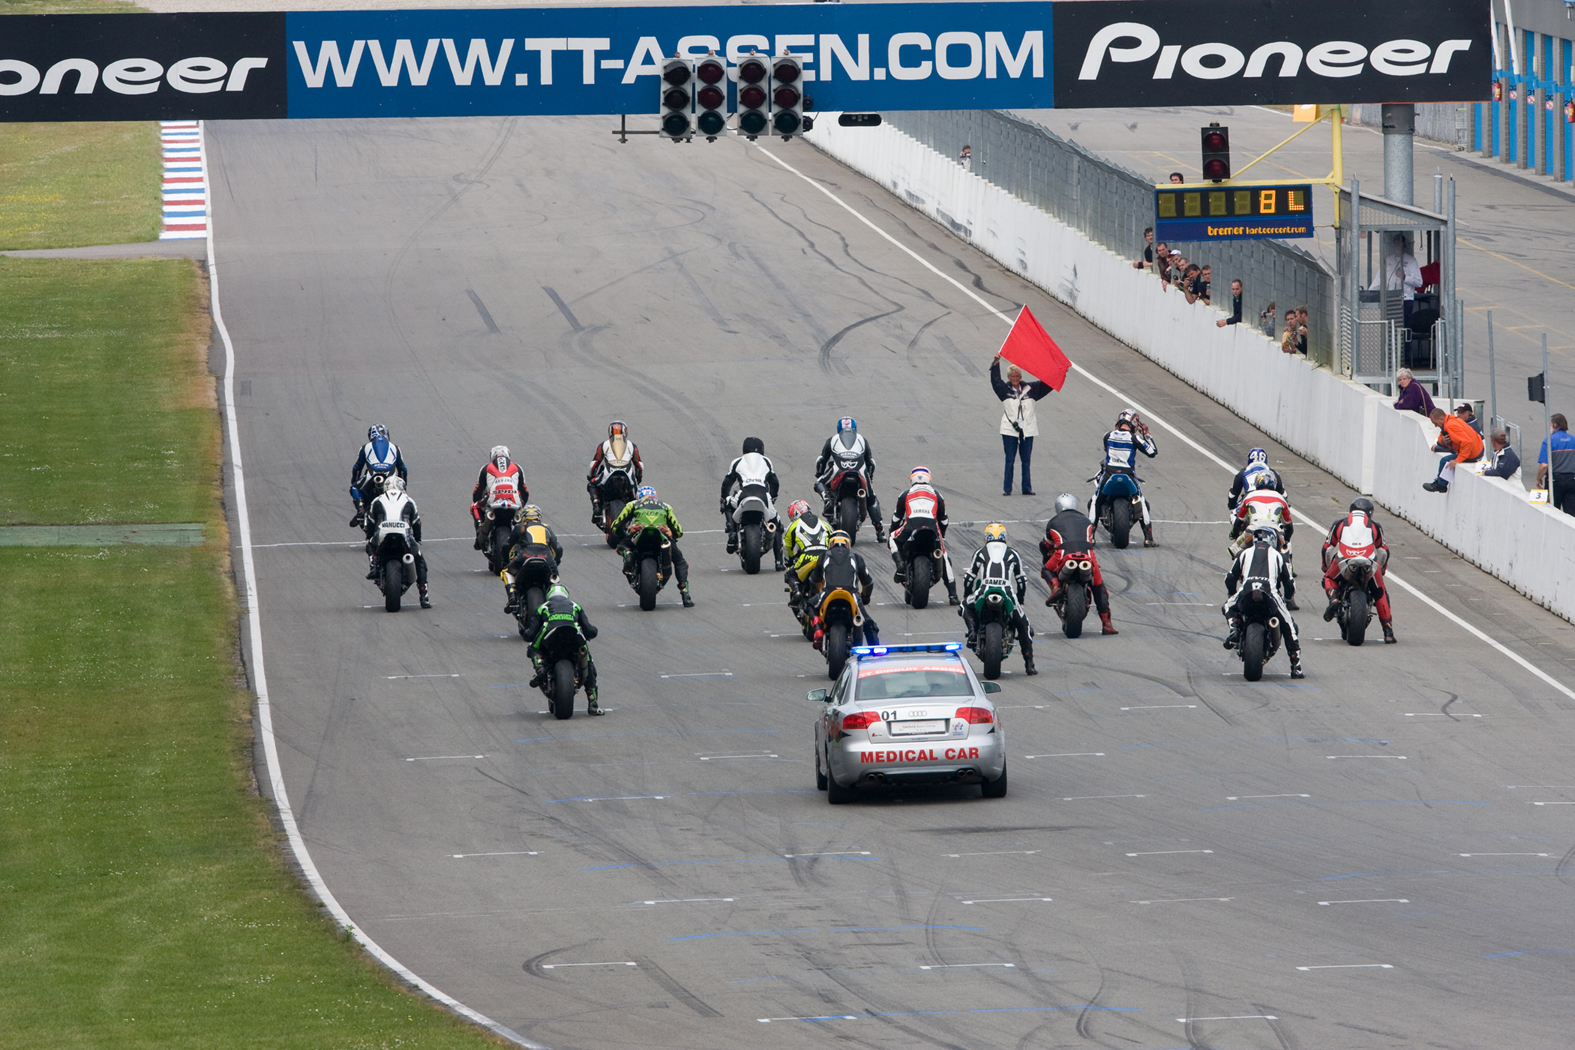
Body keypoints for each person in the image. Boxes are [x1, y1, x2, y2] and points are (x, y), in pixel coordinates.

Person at [1223, 527, 1304, 678]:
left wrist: (1231, 593)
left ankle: (1234, 629)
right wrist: (1287, 600)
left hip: (1246, 592)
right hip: (1270, 594)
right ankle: (1296, 666)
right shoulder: (1280, 556)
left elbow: (1229, 578)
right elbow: (1289, 584)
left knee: (1228, 606)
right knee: (1289, 625)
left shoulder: (1243, 553)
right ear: (1272, 540)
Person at [960, 523, 1037, 675]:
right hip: (1006, 592)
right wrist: (1020, 599)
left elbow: (969, 577)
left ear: (986, 538)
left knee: (964, 605)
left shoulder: (980, 552)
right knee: (1024, 625)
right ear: (1005, 539)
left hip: (984, 590)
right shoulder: (1013, 553)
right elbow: (1022, 580)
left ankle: (973, 631)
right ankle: (1029, 663)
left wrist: (967, 594)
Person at [1041, 492, 1118, 635]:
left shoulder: (1053, 522)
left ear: (1058, 507)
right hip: (1087, 555)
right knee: (1099, 586)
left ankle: (1056, 587)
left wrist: (1046, 556)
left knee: (1045, 569)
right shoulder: (1086, 521)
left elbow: (1046, 545)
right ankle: (1107, 624)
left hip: (1063, 554)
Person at [1321, 497, 1396, 644]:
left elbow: (1327, 548)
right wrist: (1382, 569)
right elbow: (1384, 551)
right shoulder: (1375, 526)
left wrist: (1326, 567)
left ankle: (1334, 598)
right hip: (1369, 561)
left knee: (1328, 578)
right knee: (1380, 591)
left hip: (1345, 559)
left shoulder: (1340, 523)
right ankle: (1388, 632)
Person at [526, 583, 602, 715]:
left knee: (532, 648)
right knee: (587, 659)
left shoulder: (543, 606)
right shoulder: (574, 605)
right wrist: (594, 631)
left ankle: (540, 668)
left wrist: (526, 632)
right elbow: (589, 630)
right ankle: (593, 703)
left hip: (549, 633)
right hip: (573, 634)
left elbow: (530, 634)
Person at [887, 466, 960, 605]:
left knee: (891, 538)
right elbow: (944, 520)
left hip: (911, 526)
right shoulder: (937, 495)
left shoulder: (905, 494)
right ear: (929, 479)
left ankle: (900, 564)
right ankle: (953, 595)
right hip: (931, 527)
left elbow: (896, 517)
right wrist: (942, 535)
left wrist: (893, 530)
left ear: (912, 479)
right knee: (942, 553)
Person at [611, 486, 694, 606]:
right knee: (680, 561)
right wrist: (672, 533)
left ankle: (628, 554)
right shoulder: (665, 506)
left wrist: (621, 535)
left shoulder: (633, 504)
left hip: (640, 533)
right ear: (655, 496)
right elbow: (679, 531)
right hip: (661, 535)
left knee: (620, 546)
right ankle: (685, 594)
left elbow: (616, 526)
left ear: (638, 496)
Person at [1090, 409, 1159, 547]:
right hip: (1128, 474)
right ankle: (1148, 537)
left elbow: (1106, 451)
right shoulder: (1135, 438)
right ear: (1133, 423)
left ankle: (1090, 535)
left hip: (1109, 474)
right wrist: (1147, 435)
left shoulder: (1107, 435)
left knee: (1096, 500)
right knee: (1141, 501)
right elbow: (1152, 452)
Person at [1230, 473, 1297, 607]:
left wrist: (1234, 533)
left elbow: (1239, 520)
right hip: (1275, 533)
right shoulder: (1280, 498)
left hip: (1252, 532)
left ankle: (1236, 578)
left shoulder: (1249, 496)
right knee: (1286, 558)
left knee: (1233, 550)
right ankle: (1289, 598)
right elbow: (1289, 525)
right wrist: (1286, 539)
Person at [990, 355, 1053, 496]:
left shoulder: (1031, 388)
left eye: (1017, 376)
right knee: (1010, 460)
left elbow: (1047, 384)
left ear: (1020, 376)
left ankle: (1027, 488)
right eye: (1012, 376)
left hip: (1028, 429)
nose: (1015, 378)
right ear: (1009, 377)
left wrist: (1058, 372)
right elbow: (995, 380)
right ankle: (1007, 488)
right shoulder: (1003, 390)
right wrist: (996, 363)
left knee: (1026, 460)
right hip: (1009, 429)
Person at [814, 417, 885, 542]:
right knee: (871, 498)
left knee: (819, 482)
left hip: (839, 468)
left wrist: (819, 473)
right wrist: (870, 477)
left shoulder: (832, 439)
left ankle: (827, 499)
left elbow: (821, 460)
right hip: (859, 469)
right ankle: (879, 530)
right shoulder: (862, 439)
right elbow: (871, 463)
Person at [719, 437, 784, 571]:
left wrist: (724, 498)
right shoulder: (766, 461)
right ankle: (779, 562)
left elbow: (726, 484)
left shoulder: (737, 462)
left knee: (727, 503)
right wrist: (772, 498)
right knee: (777, 524)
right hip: (763, 496)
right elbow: (774, 482)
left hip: (743, 495)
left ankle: (732, 532)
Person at [365, 476, 430, 608]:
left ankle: (373, 563)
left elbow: (370, 523)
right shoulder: (409, 500)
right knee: (419, 560)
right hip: (403, 533)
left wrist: (370, 534)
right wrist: (417, 537)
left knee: (370, 545)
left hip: (383, 532)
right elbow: (416, 522)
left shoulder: (377, 500)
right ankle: (424, 594)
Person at [807, 530, 880, 649]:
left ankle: (818, 630)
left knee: (809, 604)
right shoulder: (857, 558)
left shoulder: (823, 556)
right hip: (852, 594)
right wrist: (865, 598)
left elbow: (814, 580)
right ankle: (876, 653)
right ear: (848, 544)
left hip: (828, 592)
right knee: (868, 623)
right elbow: (868, 583)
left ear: (830, 544)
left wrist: (815, 594)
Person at [501, 504, 564, 619]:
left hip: (525, 556)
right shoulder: (546, 527)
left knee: (506, 571)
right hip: (547, 558)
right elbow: (558, 548)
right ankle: (557, 605)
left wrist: (505, 561)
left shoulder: (519, 527)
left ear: (523, 517)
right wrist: (556, 562)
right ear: (539, 517)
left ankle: (512, 595)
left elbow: (506, 546)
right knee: (554, 582)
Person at [349, 424, 407, 527]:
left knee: (354, 488)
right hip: (390, 479)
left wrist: (355, 481)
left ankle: (360, 509)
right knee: (402, 496)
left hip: (371, 477)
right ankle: (404, 515)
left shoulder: (365, 447)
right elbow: (402, 469)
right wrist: (403, 485)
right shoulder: (395, 448)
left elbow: (357, 467)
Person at [586, 421, 643, 528]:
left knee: (592, 484)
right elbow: (639, 465)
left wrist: (592, 476)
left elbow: (595, 463)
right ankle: (638, 515)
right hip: (628, 476)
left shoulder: (604, 445)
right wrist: (638, 478)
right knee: (637, 494)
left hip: (608, 474)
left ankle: (597, 505)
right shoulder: (632, 445)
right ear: (625, 432)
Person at [470, 445, 527, 550]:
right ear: (508, 455)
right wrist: (522, 504)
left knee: (474, 506)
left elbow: (477, 491)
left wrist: (479, 502)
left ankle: (480, 533)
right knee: (525, 513)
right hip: (514, 499)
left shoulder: (486, 468)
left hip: (493, 499)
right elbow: (524, 491)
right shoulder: (517, 467)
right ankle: (524, 539)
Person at [781, 498, 830, 611]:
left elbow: (787, 545)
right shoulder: (824, 523)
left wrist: (789, 560)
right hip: (825, 557)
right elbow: (833, 538)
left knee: (790, 574)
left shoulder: (793, 526)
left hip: (807, 558)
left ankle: (797, 591)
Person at [1422, 406, 1484, 492]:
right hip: (1477, 448)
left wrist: (1458, 460)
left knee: (1444, 461)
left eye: (1435, 423)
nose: (1436, 426)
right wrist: (1442, 441)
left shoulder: (1451, 426)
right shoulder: (1449, 419)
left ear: (1440, 419)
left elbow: (1467, 442)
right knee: (1447, 447)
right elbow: (1441, 436)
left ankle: (1441, 485)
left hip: (1474, 453)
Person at [1370, 234, 1423, 325]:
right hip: (1390, 298)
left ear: (1404, 244)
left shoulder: (1411, 261)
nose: (1398, 246)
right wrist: (1369, 294)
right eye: (1396, 243)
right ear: (1392, 245)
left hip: (1405, 300)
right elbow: (1379, 280)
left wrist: (1405, 277)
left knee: (1404, 326)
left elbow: (1419, 282)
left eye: (1400, 243)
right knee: (1390, 325)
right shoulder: (1388, 260)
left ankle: (1406, 339)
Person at [1536, 413, 1575, 515]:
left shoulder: (1549, 441)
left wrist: (1538, 478)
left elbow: (1544, 465)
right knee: (1571, 514)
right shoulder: (1573, 440)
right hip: (1572, 479)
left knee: (1552, 512)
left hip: (1554, 480)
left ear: (1555, 425)